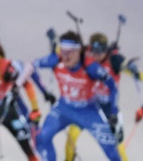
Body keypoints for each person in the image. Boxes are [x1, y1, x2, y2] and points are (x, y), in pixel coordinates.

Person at [33, 30, 121, 161]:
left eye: (70, 52)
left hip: (87, 111)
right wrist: (45, 92)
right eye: (63, 51)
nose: (66, 57)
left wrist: (113, 112)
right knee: (41, 138)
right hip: (64, 108)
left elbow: (112, 86)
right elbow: (28, 68)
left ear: (79, 51)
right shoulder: (56, 61)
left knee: (111, 151)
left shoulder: (91, 67)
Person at [64, 32, 143, 161]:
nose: (96, 55)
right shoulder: (87, 57)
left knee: (118, 148)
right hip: (89, 106)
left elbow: (132, 71)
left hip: (109, 110)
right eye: (94, 51)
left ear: (106, 50)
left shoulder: (114, 61)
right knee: (71, 137)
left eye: (100, 52)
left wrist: (135, 71)